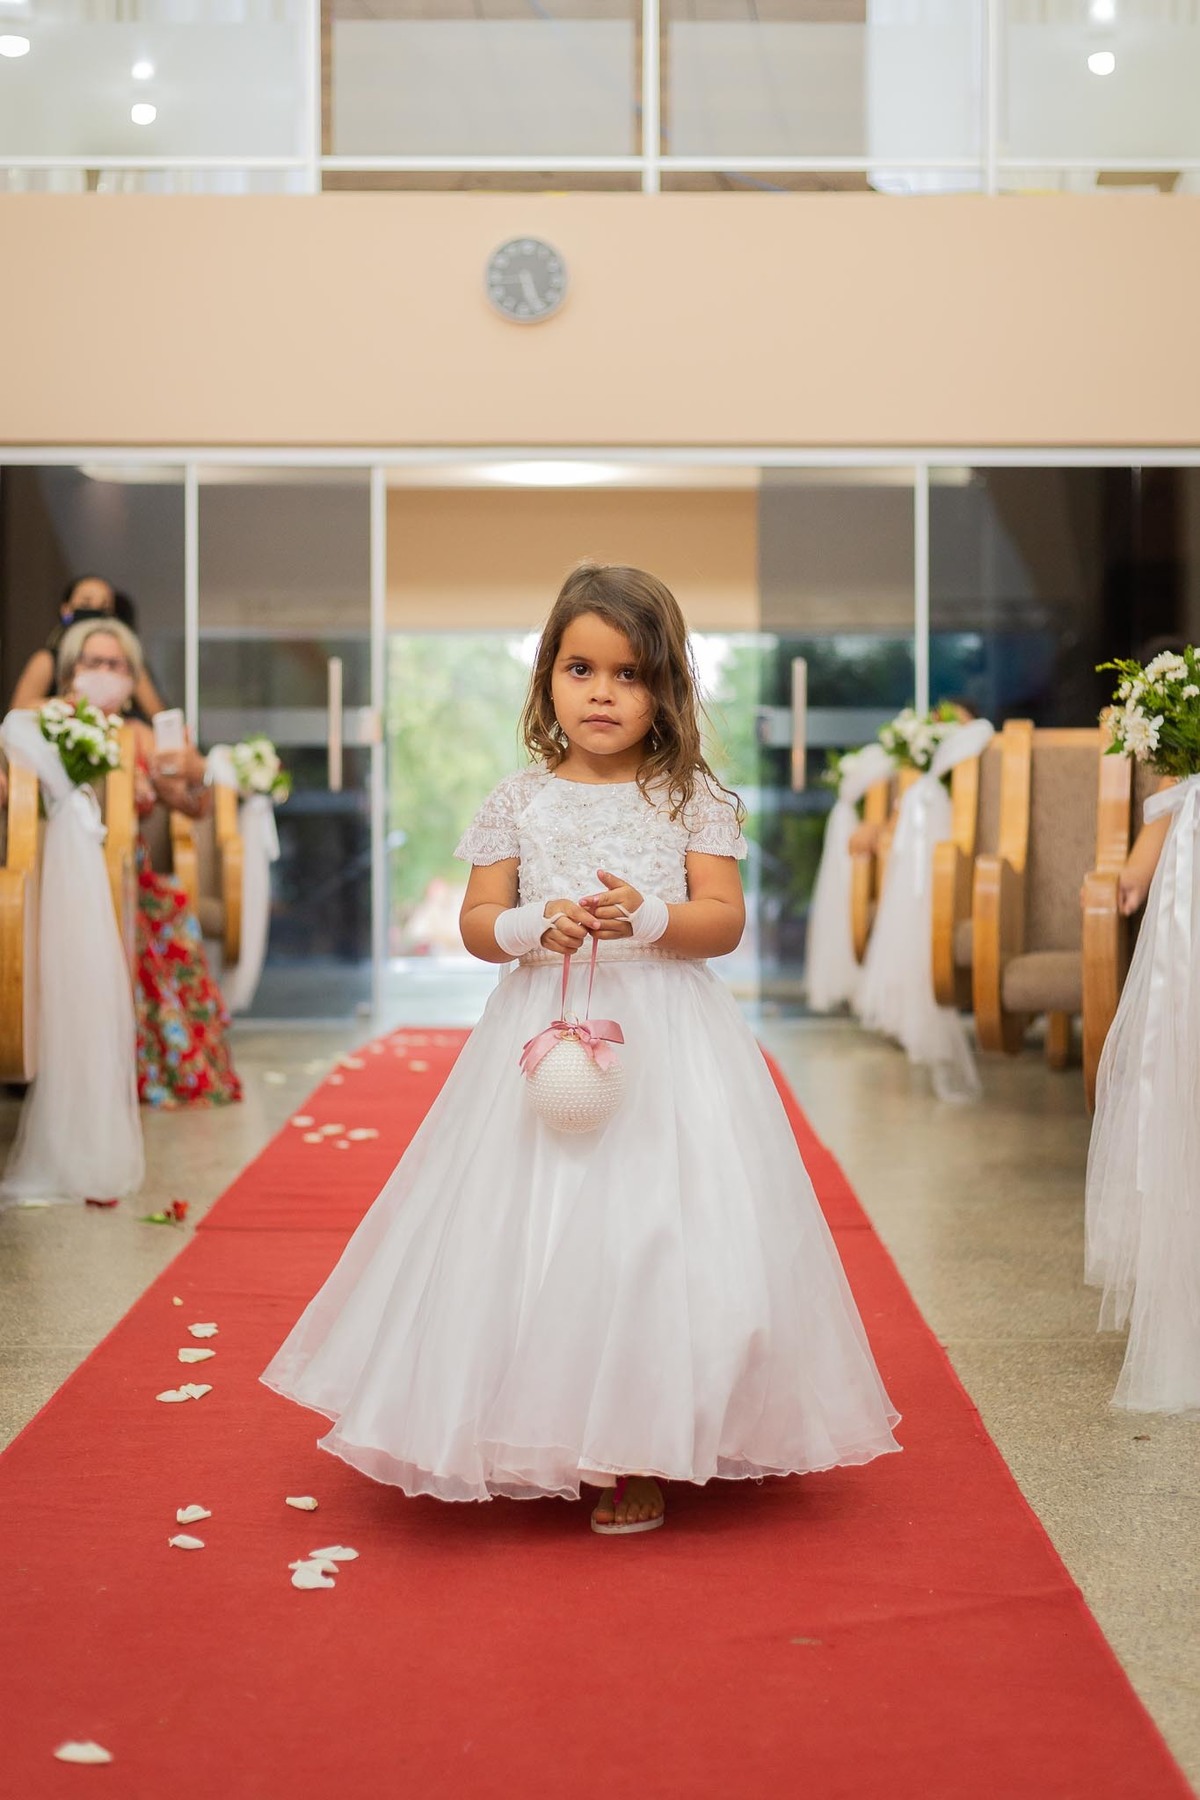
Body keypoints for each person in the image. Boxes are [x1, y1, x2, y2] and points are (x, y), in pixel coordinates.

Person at [262, 562, 900, 1535]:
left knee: (651, 1227)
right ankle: (527, 1416)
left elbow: (722, 921)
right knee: (533, 1221)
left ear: (667, 689)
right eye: (581, 669)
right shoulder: (519, 799)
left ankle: (634, 1441)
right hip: (541, 1031)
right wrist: (528, 928)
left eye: (632, 674)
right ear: (546, 680)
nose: (603, 693)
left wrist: (649, 915)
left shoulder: (691, 799)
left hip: (667, 1038)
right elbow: (479, 921)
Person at [55, 619, 241, 1111]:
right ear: (72, 669)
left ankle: (148, 1068)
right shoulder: (52, 723)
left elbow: (192, 805)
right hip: (66, 876)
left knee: (169, 915)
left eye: (116, 665)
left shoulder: (140, 734)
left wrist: (194, 773)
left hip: (131, 879)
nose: (105, 673)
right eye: (94, 662)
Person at [11, 575, 166, 721]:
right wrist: (71, 704)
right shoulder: (47, 660)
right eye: (86, 604)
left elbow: (158, 715)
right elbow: (18, 713)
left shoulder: (124, 662)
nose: (95, 611)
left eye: (104, 607)